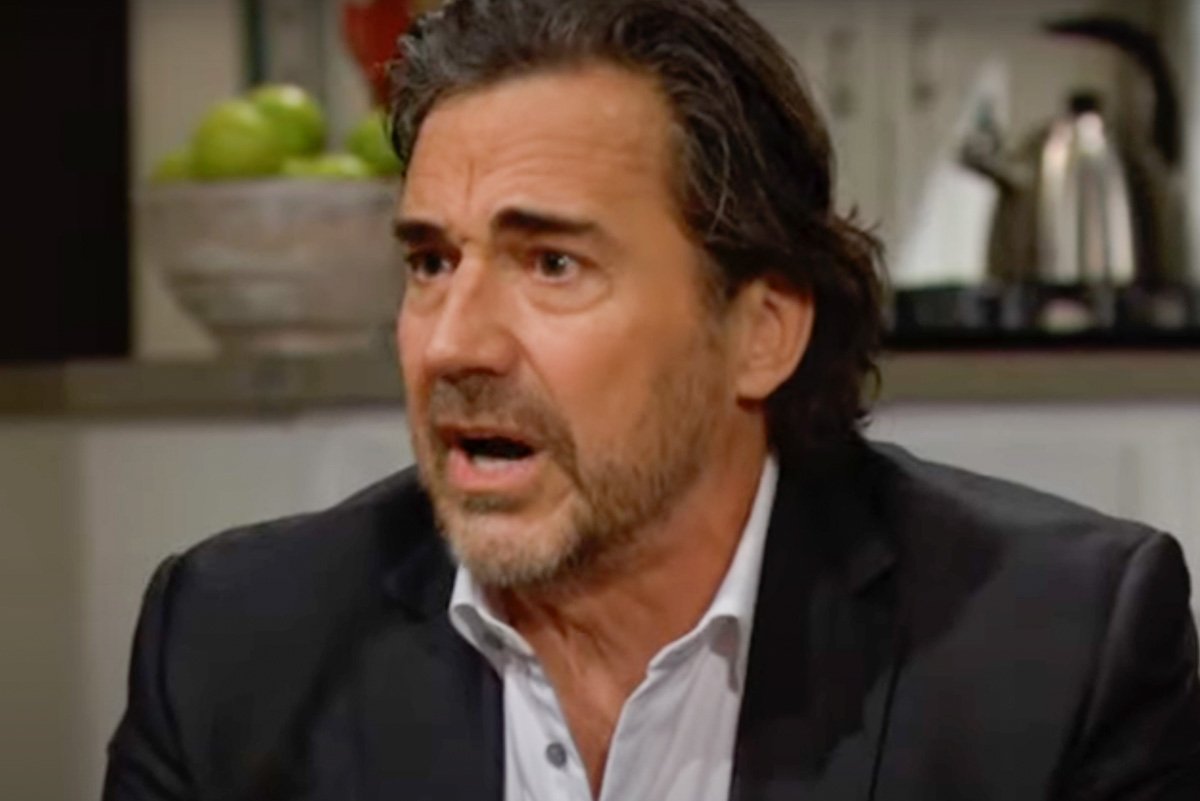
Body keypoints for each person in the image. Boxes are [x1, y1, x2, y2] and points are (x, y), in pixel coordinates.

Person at [103, 1, 1200, 799]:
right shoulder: (236, 648)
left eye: (553, 265)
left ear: (760, 332)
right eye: (431, 262)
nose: (452, 344)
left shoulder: (1057, 652)